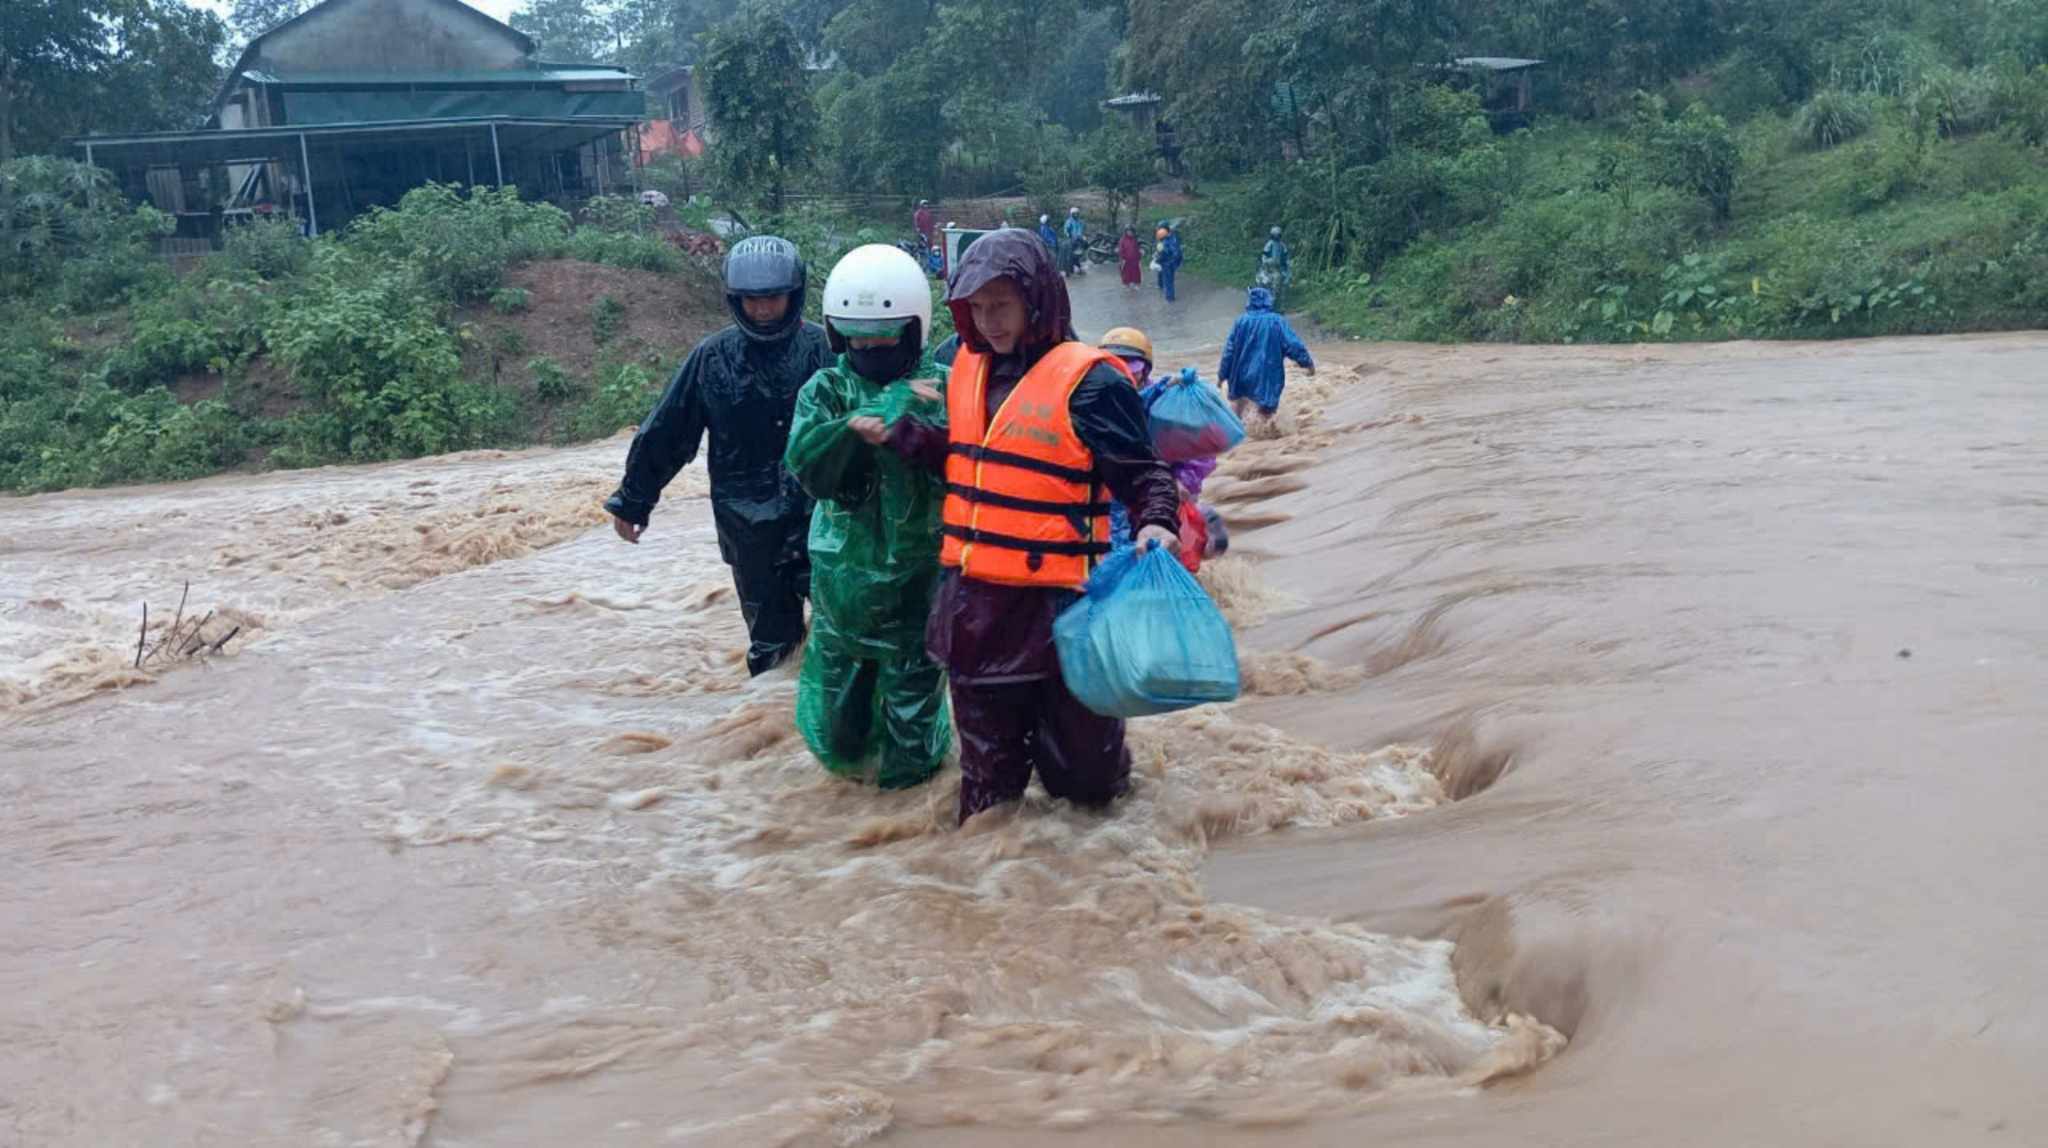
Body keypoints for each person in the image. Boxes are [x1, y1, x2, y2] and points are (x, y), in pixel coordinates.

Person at [855, 229, 1181, 824]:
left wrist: (1158, 521)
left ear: (1037, 299)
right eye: (976, 309)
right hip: (975, 614)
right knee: (987, 793)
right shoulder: (966, 369)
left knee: (1085, 784)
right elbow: (975, 461)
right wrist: (907, 437)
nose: (989, 322)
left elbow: (1146, 473)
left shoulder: (1093, 383)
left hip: (1061, 614)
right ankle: (988, 890)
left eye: (1000, 306)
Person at [605, 236, 833, 676]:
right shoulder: (712, 359)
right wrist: (634, 499)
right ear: (736, 299)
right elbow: (667, 432)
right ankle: (769, 731)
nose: (763, 310)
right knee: (773, 651)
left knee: (842, 636)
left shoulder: (825, 350)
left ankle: (829, 737)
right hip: (748, 529)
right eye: (752, 301)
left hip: (822, 519)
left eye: (773, 298)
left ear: (795, 294)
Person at [783, 245, 951, 789]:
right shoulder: (827, 390)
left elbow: (974, 461)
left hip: (918, 589)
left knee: (913, 738)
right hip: (844, 591)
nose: (870, 348)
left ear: (913, 330)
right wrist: (855, 425)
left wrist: (913, 420)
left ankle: (907, 833)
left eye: (884, 336)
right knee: (839, 733)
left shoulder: (943, 387)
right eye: (857, 337)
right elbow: (807, 466)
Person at [1218, 285, 1315, 423]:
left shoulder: (1241, 322)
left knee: (1238, 409)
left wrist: (1222, 375)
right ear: (1268, 301)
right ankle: (1267, 438)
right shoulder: (1276, 321)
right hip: (1266, 376)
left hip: (1240, 375)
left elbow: (1229, 351)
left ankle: (1236, 439)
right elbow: (1293, 345)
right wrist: (1307, 363)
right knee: (1266, 415)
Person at [1257, 225, 1292, 309]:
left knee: (1279, 284)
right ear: (1272, 235)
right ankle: (1260, 301)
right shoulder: (1269, 244)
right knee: (1261, 281)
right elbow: (1264, 256)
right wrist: (1266, 262)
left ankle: (1278, 305)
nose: (1276, 236)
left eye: (1278, 235)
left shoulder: (1282, 246)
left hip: (1278, 269)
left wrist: (1287, 268)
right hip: (1267, 268)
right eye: (1274, 235)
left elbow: (1286, 258)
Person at [1156, 220, 1183, 303]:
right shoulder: (1168, 236)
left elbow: (1172, 252)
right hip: (1167, 262)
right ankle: (1161, 286)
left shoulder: (1169, 239)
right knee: (1162, 274)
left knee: (1168, 280)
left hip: (1168, 263)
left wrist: (1161, 254)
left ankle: (1170, 297)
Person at [1063, 207, 1087, 275]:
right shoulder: (1069, 221)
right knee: (1071, 255)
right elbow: (1066, 230)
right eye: (1074, 214)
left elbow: (1081, 230)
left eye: (1077, 214)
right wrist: (1068, 235)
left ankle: (1077, 267)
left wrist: (1083, 236)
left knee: (1078, 255)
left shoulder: (1080, 221)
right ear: (1072, 214)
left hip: (1079, 240)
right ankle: (1071, 269)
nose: (1076, 215)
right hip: (1072, 240)